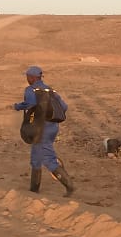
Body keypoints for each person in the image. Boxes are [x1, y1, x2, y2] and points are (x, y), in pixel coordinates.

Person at [10, 65, 74, 197]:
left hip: (40, 128)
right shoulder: (50, 90)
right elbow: (64, 106)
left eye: (28, 77)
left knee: (48, 158)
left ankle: (69, 185)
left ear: (32, 78)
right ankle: (34, 190)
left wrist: (17, 107)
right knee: (36, 156)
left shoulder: (30, 90)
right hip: (53, 127)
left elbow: (30, 104)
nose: (27, 79)